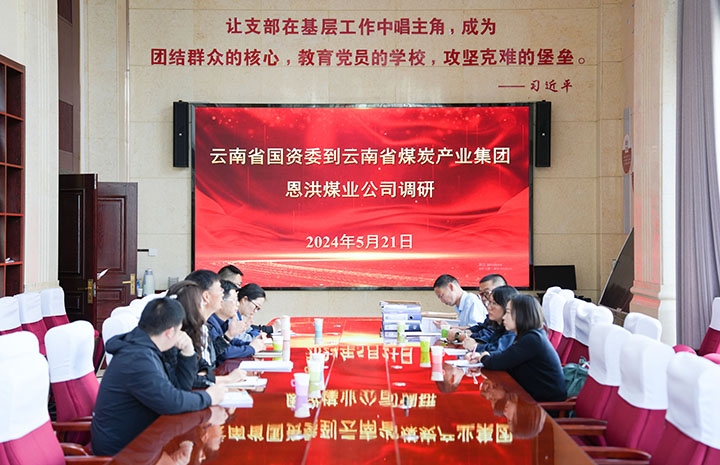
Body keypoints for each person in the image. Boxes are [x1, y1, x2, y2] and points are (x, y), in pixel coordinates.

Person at [91, 297, 226, 456]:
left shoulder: (148, 349)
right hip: (123, 453)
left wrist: (188, 352)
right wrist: (209, 397)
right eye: (179, 330)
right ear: (170, 332)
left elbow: (180, 389)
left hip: (145, 442)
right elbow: (172, 402)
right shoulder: (137, 358)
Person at [468, 294, 566, 402]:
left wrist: (483, 357)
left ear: (522, 315)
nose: (504, 317)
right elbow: (506, 355)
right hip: (528, 398)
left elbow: (498, 362)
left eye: (508, 312)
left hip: (543, 406)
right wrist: (484, 356)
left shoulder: (533, 339)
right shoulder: (530, 336)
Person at [170, 275, 246, 387]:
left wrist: (229, 336)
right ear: (205, 297)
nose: (222, 295)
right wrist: (225, 379)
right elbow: (188, 378)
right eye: (220, 290)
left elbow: (206, 361)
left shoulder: (204, 326)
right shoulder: (182, 332)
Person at [207, 280, 265, 361]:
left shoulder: (223, 322)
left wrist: (253, 344)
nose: (237, 304)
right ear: (221, 301)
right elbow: (224, 353)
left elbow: (233, 342)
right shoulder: (209, 323)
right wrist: (252, 348)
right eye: (234, 300)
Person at [447, 273, 506, 342]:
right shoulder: (492, 316)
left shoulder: (510, 318)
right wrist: (463, 332)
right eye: (481, 294)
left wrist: (460, 336)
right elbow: (480, 328)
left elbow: (487, 338)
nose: (483, 298)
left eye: (487, 293)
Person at [461, 285, 518, 355]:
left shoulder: (512, 330)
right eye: (489, 302)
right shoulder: (498, 325)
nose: (489, 307)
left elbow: (498, 350)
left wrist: (476, 347)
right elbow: (488, 340)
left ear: (506, 306)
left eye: (494, 303)